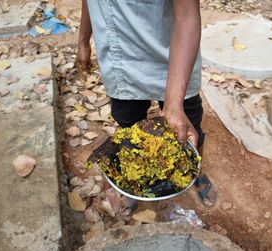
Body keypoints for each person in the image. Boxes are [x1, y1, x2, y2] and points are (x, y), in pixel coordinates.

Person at [76, 0, 216, 207]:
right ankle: (134, 181)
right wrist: (82, 40)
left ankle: (195, 172)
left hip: (171, 56)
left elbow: (186, 15)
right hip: (120, 60)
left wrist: (173, 104)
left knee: (187, 127)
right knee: (128, 124)